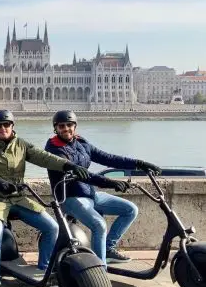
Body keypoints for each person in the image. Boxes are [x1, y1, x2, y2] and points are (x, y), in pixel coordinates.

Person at [0, 110, 90, 287]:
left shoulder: (22, 145)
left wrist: (68, 165)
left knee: (52, 227)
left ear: (12, 126)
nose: (2, 128)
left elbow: (44, 157)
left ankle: (44, 268)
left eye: (6, 125)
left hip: (18, 197)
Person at [45, 110, 162, 265]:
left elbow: (108, 158)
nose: (66, 129)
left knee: (130, 210)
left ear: (75, 126)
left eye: (69, 125)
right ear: (56, 128)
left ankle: (107, 248)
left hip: (90, 194)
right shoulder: (54, 149)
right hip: (70, 197)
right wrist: (110, 182)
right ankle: (100, 268)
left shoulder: (81, 143)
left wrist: (138, 163)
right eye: (62, 126)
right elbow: (83, 174)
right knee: (99, 225)